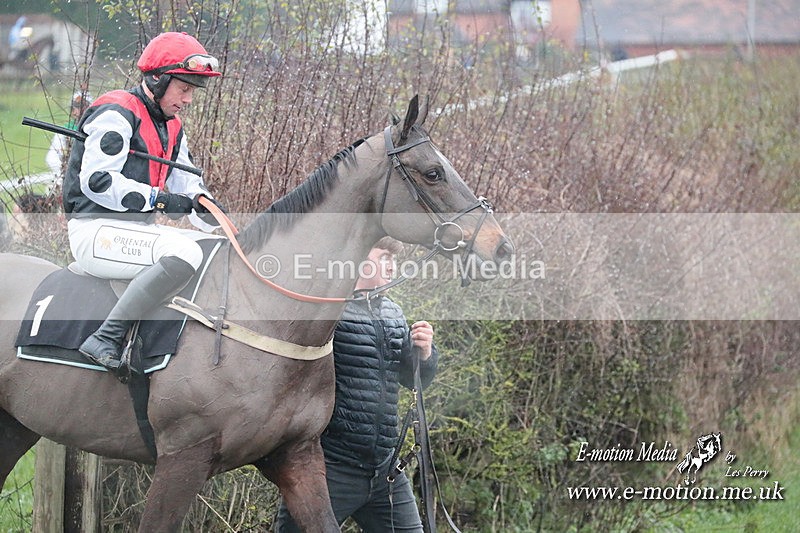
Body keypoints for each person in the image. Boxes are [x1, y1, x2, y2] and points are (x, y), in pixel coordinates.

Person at [62, 31, 225, 373]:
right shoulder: (117, 110)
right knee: (185, 253)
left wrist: (211, 211)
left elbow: (187, 180)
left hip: (133, 236)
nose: (189, 99)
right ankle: (105, 338)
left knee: (215, 249)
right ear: (158, 79)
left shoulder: (172, 126)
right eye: (184, 88)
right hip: (96, 232)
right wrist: (162, 200)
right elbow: (97, 181)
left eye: (193, 91)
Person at [275, 236, 439, 532]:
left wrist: (424, 353)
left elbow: (411, 378)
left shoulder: (392, 312)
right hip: (330, 470)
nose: (392, 267)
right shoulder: (326, 312)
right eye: (384, 257)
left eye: (393, 258)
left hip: (385, 471)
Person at [45, 91, 93, 179]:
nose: (77, 111)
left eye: (82, 106)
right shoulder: (65, 131)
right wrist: (65, 171)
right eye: (75, 107)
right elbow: (52, 157)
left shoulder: (94, 129)